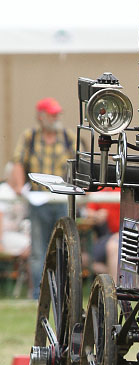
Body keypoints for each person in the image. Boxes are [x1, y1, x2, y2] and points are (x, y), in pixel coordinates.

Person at [9, 97, 73, 299]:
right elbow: (18, 162)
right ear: (41, 116)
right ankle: (37, 294)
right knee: (38, 250)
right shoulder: (30, 137)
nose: (55, 118)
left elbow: (77, 163)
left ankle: (63, 293)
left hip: (61, 200)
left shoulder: (67, 137)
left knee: (63, 248)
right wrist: (20, 188)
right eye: (52, 114)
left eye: (56, 114)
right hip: (37, 200)